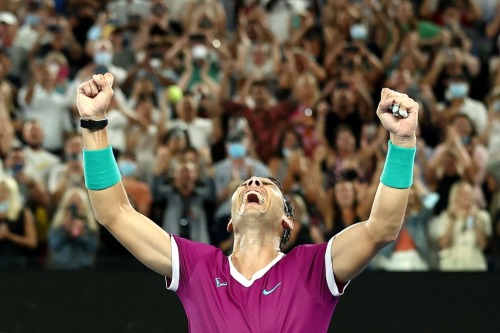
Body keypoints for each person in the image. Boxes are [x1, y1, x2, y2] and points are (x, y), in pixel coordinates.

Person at [76, 73, 418, 332]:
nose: (253, 181)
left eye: (267, 185)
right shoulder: (200, 268)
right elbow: (114, 213)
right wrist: (93, 125)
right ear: (230, 221)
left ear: (287, 221)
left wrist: (402, 142)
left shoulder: (311, 269)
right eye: (246, 184)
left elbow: (382, 228)